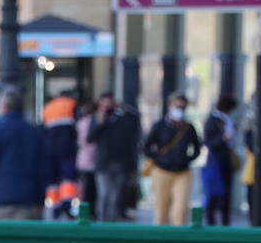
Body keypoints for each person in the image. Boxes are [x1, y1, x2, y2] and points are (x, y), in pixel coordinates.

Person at [0, 84, 47, 219]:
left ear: (4, 106)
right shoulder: (34, 132)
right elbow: (42, 169)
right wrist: (40, 199)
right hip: (29, 202)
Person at [141, 91, 201, 226]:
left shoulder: (188, 127)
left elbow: (197, 147)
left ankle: (179, 239)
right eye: (177, 106)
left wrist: (187, 159)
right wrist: (159, 159)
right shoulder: (160, 125)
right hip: (162, 171)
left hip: (182, 172)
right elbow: (145, 147)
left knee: (180, 209)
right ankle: (161, 239)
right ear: (170, 106)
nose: (179, 110)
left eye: (182, 107)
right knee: (161, 209)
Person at [87, 92, 139, 224]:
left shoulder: (122, 118)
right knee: (104, 194)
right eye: (104, 103)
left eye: (109, 103)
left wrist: (123, 108)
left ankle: (112, 223)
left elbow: (135, 121)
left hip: (120, 163)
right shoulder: (97, 118)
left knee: (115, 196)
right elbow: (90, 138)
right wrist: (100, 121)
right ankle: (102, 222)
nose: (107, 106)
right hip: (103, 163)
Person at [42, 89, 79, 218]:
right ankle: (67, 205)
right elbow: (77, 127)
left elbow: (43, 129)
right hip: (67, 147)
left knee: (53, 179)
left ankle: (55, 207)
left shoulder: (48, 107)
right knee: (68, 177)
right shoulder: (72, 104)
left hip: (50, 149)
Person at [202, 95, 238, 226]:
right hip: (216, 161)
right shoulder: (213, 120)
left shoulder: (227, 119)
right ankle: (211, 221)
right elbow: (209, 142)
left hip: (226, 160)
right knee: (214, 193)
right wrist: (224, 138)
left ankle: (225, 222)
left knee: (226, 194)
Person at [74, 99, 98, 218]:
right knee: (92, 189)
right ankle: (91, 212)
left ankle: (83, 213)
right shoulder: (94, 122)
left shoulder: (80, 123)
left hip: (82, 159)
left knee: (83, 189)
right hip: (93, 160)